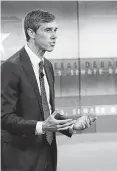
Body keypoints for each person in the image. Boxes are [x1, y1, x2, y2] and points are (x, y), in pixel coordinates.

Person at [1, 9, 95, 171]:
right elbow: (4, 118)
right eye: (48, 30)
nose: (54, 36)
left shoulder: (48, 66)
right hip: (21, 159)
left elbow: (47, 111)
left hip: (48, 155)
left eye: (55, 30)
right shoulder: (10, 67)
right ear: (31, 32)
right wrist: (42, 127)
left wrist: (71, 126)